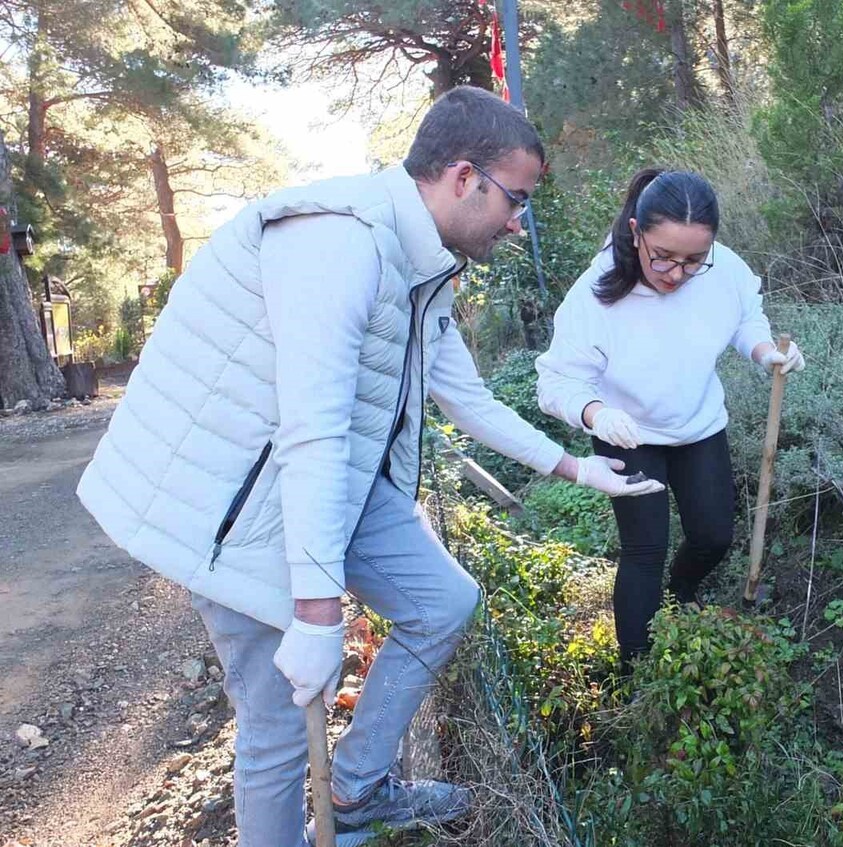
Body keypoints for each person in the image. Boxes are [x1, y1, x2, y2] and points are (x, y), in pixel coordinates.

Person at [76, 86, 662, 847]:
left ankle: (353, 791)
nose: (519, 221)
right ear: (462, 177)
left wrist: (579, 470)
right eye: (515, 198)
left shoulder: (423, 265)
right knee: (279, 727)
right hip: (241, 507)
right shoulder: (340, 244)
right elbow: (312, 428)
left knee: (442, 601)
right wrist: (319, 614)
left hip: (337, 484)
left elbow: (468, 400)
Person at [535, 168, 806, 669]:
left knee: (714, 536)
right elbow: (555, 383)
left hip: (698, 424)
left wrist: (766, 352)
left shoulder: (723, 270)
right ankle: (636, 671)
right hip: (627, 433)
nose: (676, 274)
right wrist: (596, 413)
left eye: (693, 261)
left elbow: (745, 318)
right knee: (645, 551)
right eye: (662, 257)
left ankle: (682, 591)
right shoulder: (595, 294)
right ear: (636, 231)